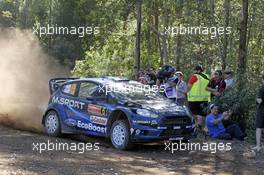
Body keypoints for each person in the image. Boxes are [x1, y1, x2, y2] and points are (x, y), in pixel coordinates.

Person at [253, 74, 264, 152]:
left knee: (259, 128)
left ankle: (258, 146)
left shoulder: (262, 88)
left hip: (262, 110)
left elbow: (259, 101)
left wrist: (256, 99)